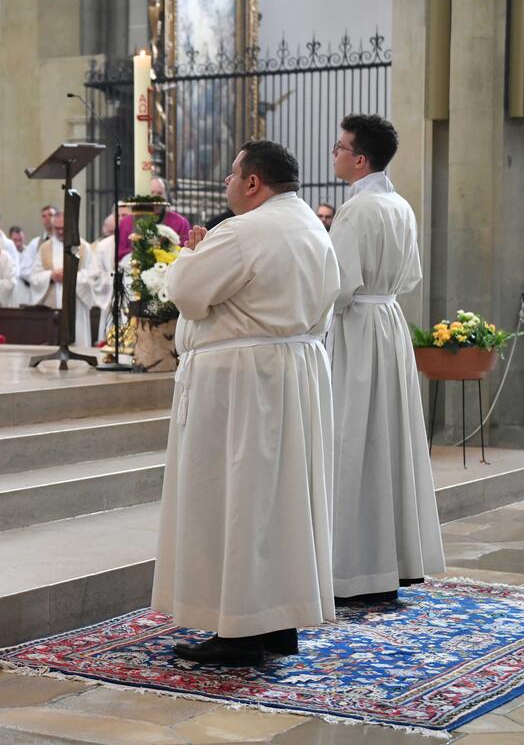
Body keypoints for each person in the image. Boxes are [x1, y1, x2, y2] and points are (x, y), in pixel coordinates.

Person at [153, 140, 340, 666]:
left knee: (236, 500)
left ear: (253, 182)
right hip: (292, 374)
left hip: (240, 383)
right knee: (278, 504)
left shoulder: (245, 230)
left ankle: (235, 630)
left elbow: (186, 291)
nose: (229, 185)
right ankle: (279, 623)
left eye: (233, 175)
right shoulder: (309, 226)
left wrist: (193, 252)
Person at [328, 114, 445, 602]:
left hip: (357, 328)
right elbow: (412, 276)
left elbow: (336, 287)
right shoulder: (401, 207)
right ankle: (390, 562)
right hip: (389, 323)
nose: (334, 153)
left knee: (353, 439)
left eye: (340, 147)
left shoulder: (356, 211)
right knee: (387, 440)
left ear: (360, 159)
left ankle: (353, 570)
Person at [27, 211, 98, 347]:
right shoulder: (45, 248)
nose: (60, 232)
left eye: (63, 229)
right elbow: (34, 276)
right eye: (57, 229)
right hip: (52, 306)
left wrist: (71, 277)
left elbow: (92, 275)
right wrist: (51, 275)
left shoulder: (83, 247)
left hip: (76, 304)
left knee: (77, 342)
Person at [117, 176, 191, 258]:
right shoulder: (126, 222)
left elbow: (186, 251)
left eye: (159, 193)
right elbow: (120, 253)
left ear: (166, 196)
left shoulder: (181, 222)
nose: (155, 197)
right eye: (152, 192)